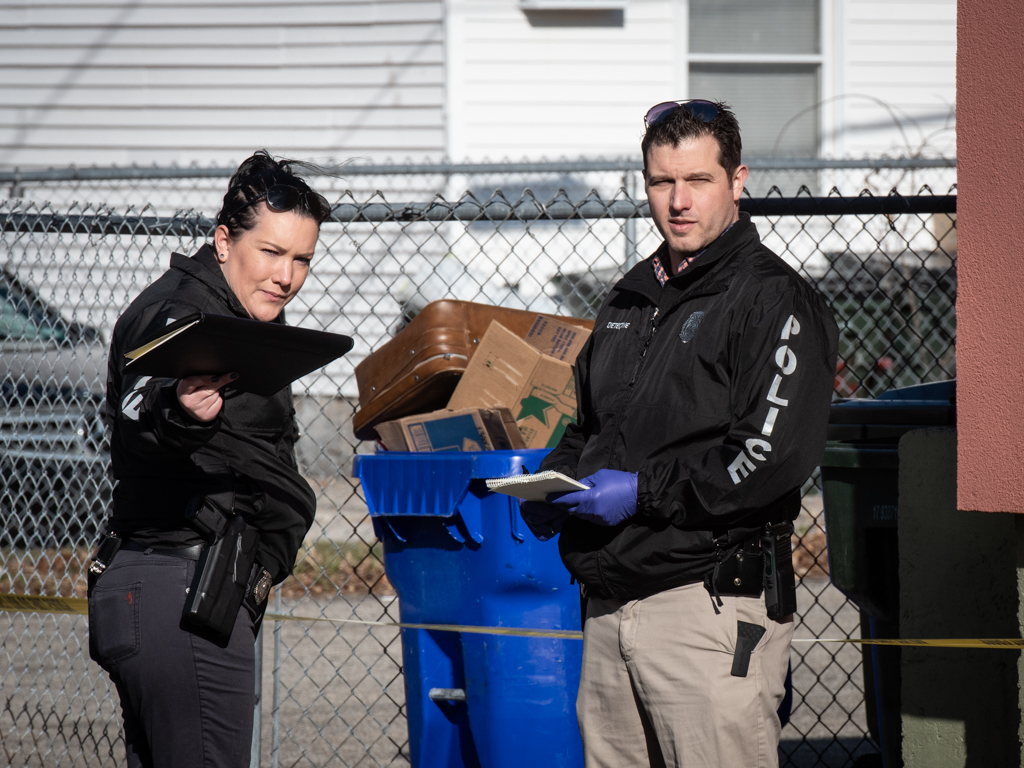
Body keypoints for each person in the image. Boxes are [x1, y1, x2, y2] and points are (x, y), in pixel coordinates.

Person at [520, 101, 839, 767]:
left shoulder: (773, 299)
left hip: (708, 604)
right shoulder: (629, 298)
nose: (679, 201)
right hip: (608, 607)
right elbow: (589, 424)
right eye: (662, 182)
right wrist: (556, 481)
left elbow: (768, 457)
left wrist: (641, 492)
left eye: (698, 180)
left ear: (738, 180)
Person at [88, 150, 332, 768]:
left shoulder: (239, 316)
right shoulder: (181, 315)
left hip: (195, 593)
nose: (286, 275)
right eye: (271, 252)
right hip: (180, 594)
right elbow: (143, 406)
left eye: (302, 259)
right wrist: (178, 409)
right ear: (224, 242)